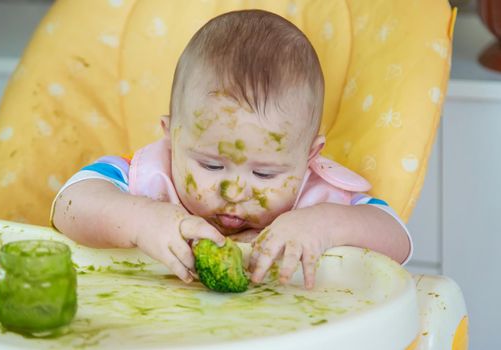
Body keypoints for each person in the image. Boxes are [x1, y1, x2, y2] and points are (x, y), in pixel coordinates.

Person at [52, 9, 411, 290]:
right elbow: (69, 204)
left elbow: (397, 239)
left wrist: (323, 226)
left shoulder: (318, 200)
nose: (235, 191)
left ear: (309, 157)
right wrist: (140, 220)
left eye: (264, 173)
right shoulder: (147, 179)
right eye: (211, 165)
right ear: (172, 136)